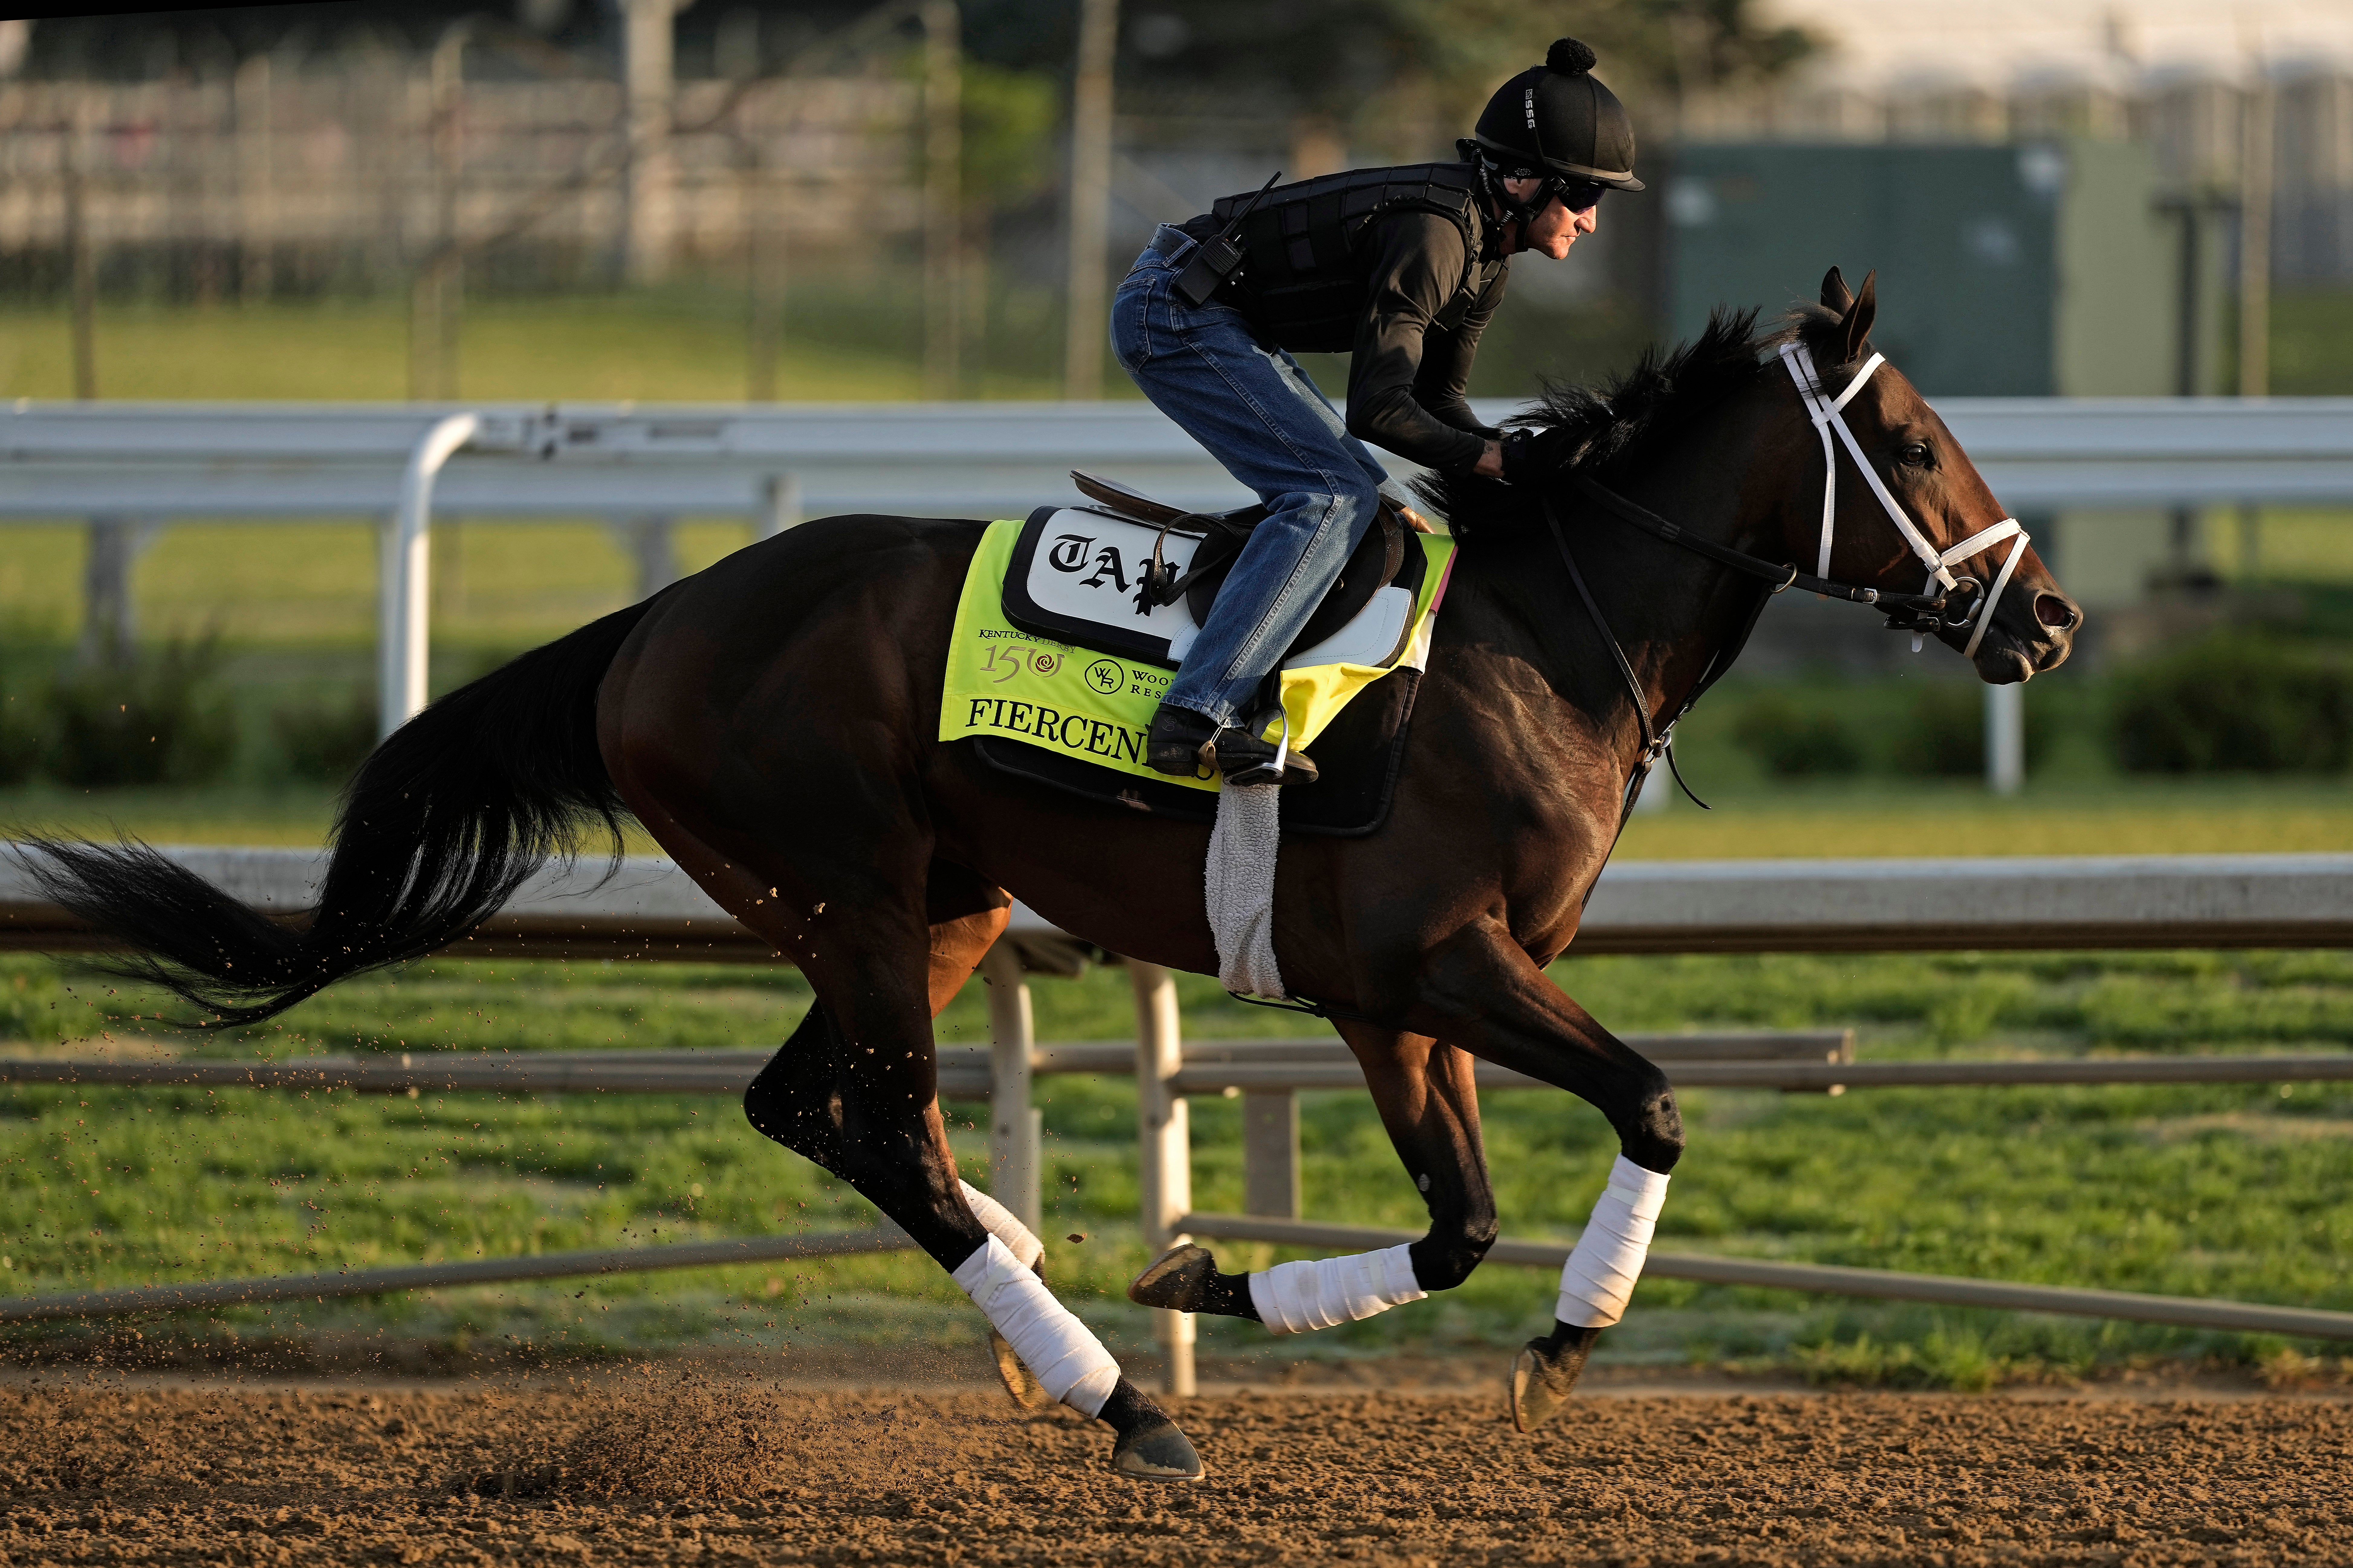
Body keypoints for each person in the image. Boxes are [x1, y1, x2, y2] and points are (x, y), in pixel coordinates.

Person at [1113, 37, 1645, 786]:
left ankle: (1265, 701)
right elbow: (1378, 410)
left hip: (1227, 319)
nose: (1589, 221)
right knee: (1330, 495)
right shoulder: (1435, 235)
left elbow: (1437, 402)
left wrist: (1519, 457)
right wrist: (1496, 459)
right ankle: (1197, 714)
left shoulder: (1488, 254)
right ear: (1524, 180)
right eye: (1585, 197)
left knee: (1377, 507)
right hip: (1172, 311)